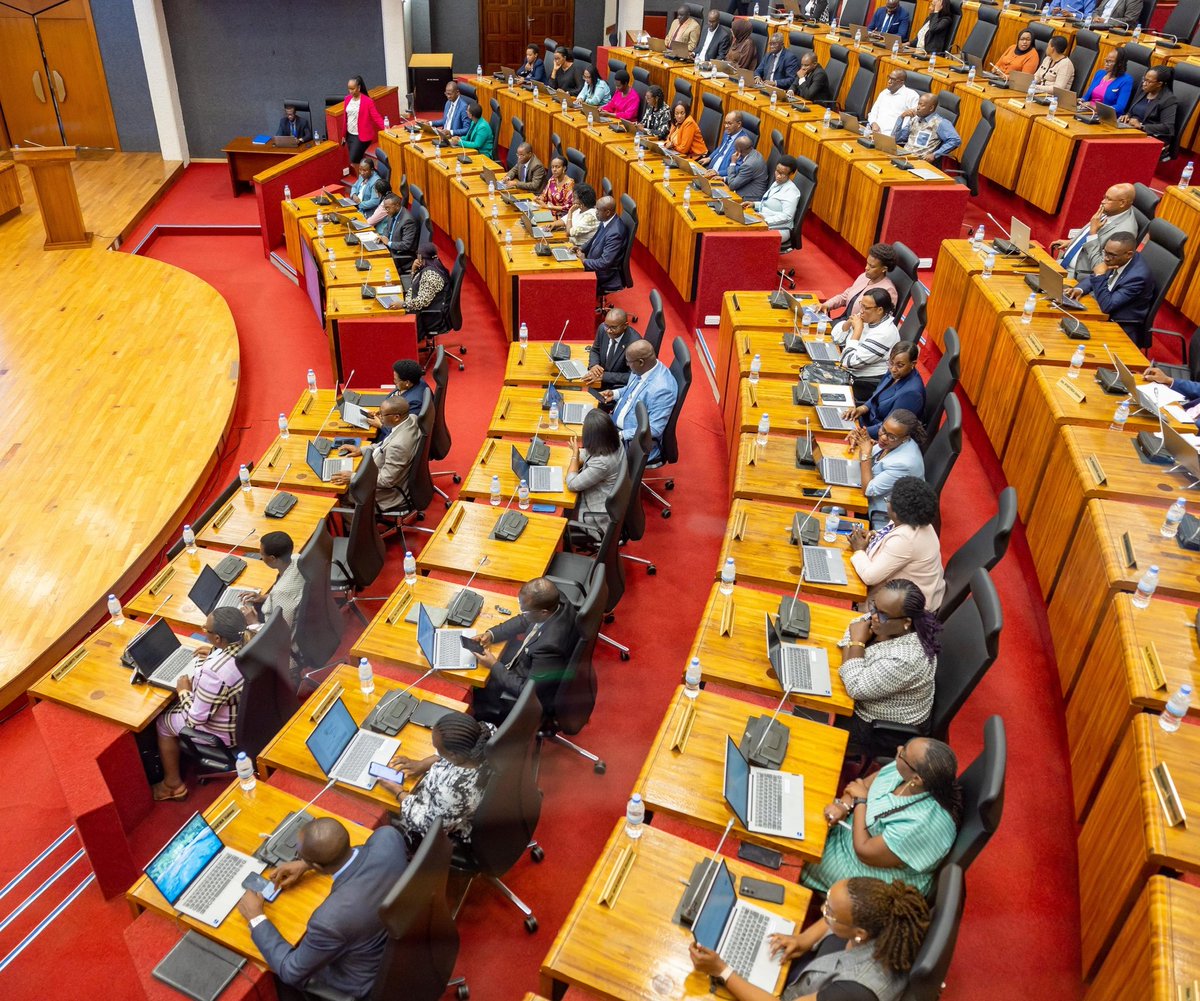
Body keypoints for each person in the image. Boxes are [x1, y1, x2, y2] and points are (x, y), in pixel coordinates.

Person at [238, 818, 406, 998]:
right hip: (405, 949)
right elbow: (362, 852)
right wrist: (306, 864)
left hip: (366, 983)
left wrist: (256, 918)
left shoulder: (329, 920)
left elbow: (290, 971)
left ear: (317, 866)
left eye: (301, 856)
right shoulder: (388, 837)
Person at [689, 876, 930, 1001]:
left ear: (860, 934)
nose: (823, 911)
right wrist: (803, 940)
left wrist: (722, 970)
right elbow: (836, 915)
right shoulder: (882, 912)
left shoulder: (854, 990)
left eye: (829, 913)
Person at [804, 735, 961, 896]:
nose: (899, 749)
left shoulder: (921, 825)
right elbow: (863, 785)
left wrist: (861, 801)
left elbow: (865, 851)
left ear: (916, 779)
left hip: (870, 873)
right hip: (850, 829)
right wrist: (843, 806)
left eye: (903, 753)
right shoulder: (906, 770)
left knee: (800, 854)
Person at [152, 608, 248, 801]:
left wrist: (184, 691)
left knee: (163, 722)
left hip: (228, 733)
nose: (204, 629)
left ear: (218, 638)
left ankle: (173, 785)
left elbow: (195, 719)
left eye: (206, 629)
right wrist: (215, 652)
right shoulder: (251, 642)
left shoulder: (215, 672)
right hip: (250, 717)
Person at [470, 577, 579, 725]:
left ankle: (484, 718)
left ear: (543, 613)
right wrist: (491, 634)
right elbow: (525, 620)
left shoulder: (550, 647)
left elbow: (527, 691)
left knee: (476, 687)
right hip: (530, 659)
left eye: (524, 610)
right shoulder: (555, 600)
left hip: (531, 690)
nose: (522, 611)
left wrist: (494, 665)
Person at [378, 712, 494, 849]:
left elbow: (426, 823)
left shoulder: (453, 790)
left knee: (382, 815)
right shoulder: (488, 735)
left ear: (452, 755)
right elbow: (451, 753)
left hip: (451, 826)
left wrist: (398, 792)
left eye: (438, 748)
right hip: (470, 805)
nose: (437, 750)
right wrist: (422, 764)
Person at [849, 478, 946, 609]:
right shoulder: (912, 518)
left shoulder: (906, 539)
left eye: (889, 499)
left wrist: (859, 550)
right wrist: (872, 535)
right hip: (907, 591)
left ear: (896, 512)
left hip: (906, 608)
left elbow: (869, 577)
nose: (888, 501)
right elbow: (889, 534)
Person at [1065, 232, 1156, 346]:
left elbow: (1107, 306)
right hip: (1103, 306)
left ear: (1129, 254)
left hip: (1119, 325)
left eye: (1111, 255)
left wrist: (1099, 276)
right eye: (1105, 252)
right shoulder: (1118, 257)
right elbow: (1097, 274)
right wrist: (1080, 289)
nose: (1106, 258)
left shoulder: (1137, 277)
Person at [334, 397, 420, 512]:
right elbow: (384, 444)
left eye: (382, 414)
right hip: (385, 471)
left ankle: (361, 524)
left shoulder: (398, 446)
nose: (378, 416)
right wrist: (361, 450)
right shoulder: (412, 418)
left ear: (396, 417)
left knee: (343, 495)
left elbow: (386, 481)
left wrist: (353, 477)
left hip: (387, 495)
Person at [238, 534, 306, 678]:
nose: (261, 557)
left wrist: (253, 623)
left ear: (273, 558)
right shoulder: (297, 559)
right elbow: (293, 596)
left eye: (262, 554)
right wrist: (263, 598)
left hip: (287, 651)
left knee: (237, 633)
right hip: (306, 623)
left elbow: (279, 635)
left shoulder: (281, 593)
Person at [601, 339, 679, 461]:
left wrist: (620, 435)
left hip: (632, 441)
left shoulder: (662, 389)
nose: (627, 365)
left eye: (628, 362)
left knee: (594, 454)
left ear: (641, 362)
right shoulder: (643, 368)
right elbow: (633, 389)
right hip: (616, 425)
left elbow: (654, 429)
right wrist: (615, 393)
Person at [847, 410, 926, 526]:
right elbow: (866, 459)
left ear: (905, 438)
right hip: (870, 488)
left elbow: (868, 490)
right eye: (883, 429)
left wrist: (865, 452)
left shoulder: (904, 464)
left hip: (887, 514)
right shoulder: (893, 441)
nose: (883, 437)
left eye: (891, 436)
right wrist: (863, 441)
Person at [1049, 182, 1137, 281]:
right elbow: (1097, 238)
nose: (1103, 201)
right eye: (1104, 197)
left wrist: (1093, 232)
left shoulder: (1125, 232)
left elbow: (1100, 267)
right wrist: (1072, 242)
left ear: (1122, 203)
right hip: (1063, 263)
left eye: (1108, 199)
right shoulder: (1113, 211)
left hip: (1077, 276)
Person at [843, 342, 926, 440]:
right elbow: (876, 396)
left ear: (913, 364)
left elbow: (893, 428)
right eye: (891, 363)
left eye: (900, 365)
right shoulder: (895, 371)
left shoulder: (912, 394)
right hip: (865, 420)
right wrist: (862, 409)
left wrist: (861, 433)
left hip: (880, 435)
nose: (893, 369)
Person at [566, 410, 627, 542]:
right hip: (612, 503)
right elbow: (590, 454)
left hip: (597, 515)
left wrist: (574, 455)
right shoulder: (614, 440)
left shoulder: (602, 463)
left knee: (559, 515)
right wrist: (578, 454)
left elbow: (572, 484)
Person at [833, 289, 902, 401]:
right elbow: (836, 339)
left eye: (866, 307)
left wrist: (857, 330)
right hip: (851, 372)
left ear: (879, 310)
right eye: (861, 305)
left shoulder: (884, 333)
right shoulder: (870, 318)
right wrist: (849, 323)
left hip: (863, 383)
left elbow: (848, 362)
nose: (861, 311)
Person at [821, 243, 899, 320]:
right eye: (867, 263)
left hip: (858, 327)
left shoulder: (888, 291)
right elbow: (845, 296)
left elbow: (881, 322)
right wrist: (827, 305)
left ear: (884, 269)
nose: (866, 268)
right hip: (845, 321)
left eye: (872, 266)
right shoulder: (864, 276)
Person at [578, 195, 627, 296]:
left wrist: (584, 261)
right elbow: (594, 239)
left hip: (603, 273)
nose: (595, 212)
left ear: (607, 212)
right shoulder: (605, 220)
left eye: (597, 209)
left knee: (568, 278)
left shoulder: (615, 233)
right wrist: (581, 248)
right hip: (593, 261)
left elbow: (604, 263)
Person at [1122, 66, 1179, 152]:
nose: (1144, 83)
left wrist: (1142, 126)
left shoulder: (1169, 100)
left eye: (1149, 81)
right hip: (1133, 131)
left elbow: (1168, 127)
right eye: (1144, 79)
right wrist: (1127, 116)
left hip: (1153, 137)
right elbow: (1133, 109)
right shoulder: (1143, 90)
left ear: (1159, 84)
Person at [893, 92, 961, 161]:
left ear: (931, 108)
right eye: (918, 104)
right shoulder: (915, 118)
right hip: (904, 155)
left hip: (920, 160)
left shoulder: (940, 123)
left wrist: (935, 154)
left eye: (922, 105)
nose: (918, 108)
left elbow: (955, 140)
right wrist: (901, 117)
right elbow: (897, 139)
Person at [584, 308, 640, 388]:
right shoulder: (602, 328)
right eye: (606, 326)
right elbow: (595, 350)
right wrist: (594, 365)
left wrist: (605, 376)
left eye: (613, 327)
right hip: (598, 381)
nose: (608, 330)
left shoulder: (635, 344)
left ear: (625, 325)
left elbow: (634, 376)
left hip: (617, 387)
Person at [340, 76, 385, 165]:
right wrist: (343, 135)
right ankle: (366, 173)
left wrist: (387, 128)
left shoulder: (368, 101)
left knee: (353, 161)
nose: (350, 91)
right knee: (358, 160)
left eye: (353, 89)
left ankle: (362, 174)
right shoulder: (347, 99)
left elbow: (376, 117)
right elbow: (346, 118)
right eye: (349, 88)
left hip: (361, 136)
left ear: (359, 88)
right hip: (350, 135)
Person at [755, 158, 802, 245]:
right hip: (764, 220)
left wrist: (765, 221)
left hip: (779, 228)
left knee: (748, 236)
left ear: (790, 174)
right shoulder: (777, 182)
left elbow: (787, 217)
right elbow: (768, 203)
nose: (778, 176)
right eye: (777, 171)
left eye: (782, 174)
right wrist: (754, 205)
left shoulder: (791, 192)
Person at [401, 242, 451, 314]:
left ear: (420, 257)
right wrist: (413, 270)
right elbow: (415, 285)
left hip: (426, 314)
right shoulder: (431, 266)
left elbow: (422, 302)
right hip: (414, 303)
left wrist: (403, 304)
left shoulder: (431, 275)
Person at [1083, 47, 1135, 116]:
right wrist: (1081, 101)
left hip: (1105, 116)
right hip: (1087, 111)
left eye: (1110, 61)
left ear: (1119, 64)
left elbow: (1120, 107)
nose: (1106, 64)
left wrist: (1096, 108)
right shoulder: (1099, 73)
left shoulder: (1126, 80)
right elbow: (1086, 97)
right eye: (1106, 60)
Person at [701, 111, 754, 179]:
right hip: (708, 171)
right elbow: (720, 147)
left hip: (719, 177)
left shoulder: (743, 143)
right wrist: (709, 158)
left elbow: (738, 168)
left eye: (729, 123)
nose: (726, 126)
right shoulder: (727, 132)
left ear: (739, 124)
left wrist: (719, 173)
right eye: (725, 123)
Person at [868, 69, 920, 136]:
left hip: (891, 136)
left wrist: (897, 134)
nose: (889, 81)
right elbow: (874, 112)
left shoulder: (911, 96)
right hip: (873, 131)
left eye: (893, 79)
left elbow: (913, 120)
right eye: (889, 78)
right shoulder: (884, 92)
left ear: (901, 82)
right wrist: (873, 123)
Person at [376, 194, 418, 273]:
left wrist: (388, 243)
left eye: (388, 208)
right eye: (385, 208)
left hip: (401, 256)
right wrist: (383, 237)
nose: (386, 210)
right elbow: (386, 228)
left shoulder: (408, 221)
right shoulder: (392, 213)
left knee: (377, 266)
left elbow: (406, 245)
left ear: (397, 205)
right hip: (390, 249)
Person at [551, 180, 599, 247]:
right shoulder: (580, 209)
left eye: (574, 198)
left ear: (582, 201)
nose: (572, 200)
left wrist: (570, 212)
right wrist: (553, 224)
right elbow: (564, 220)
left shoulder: (591, 216)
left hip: (580, 249)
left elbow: (569, 232)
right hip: (570, 243)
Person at [726, 135, 769, 201]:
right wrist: (725, 178)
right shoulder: (755, 153)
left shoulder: (749, 165)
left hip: (749, 198)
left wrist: (733, 163)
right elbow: (742, 176)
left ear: (739, 151)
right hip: (747, 189)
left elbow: (732, 186)